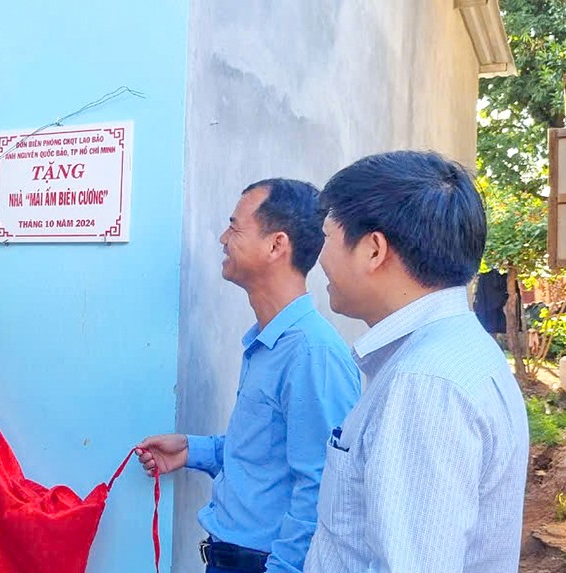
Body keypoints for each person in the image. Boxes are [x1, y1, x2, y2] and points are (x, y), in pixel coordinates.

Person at [304, 150, 528, 573]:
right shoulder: (455, 353)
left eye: (328, 238)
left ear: (373, 250)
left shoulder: (425, 383)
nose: (320, 259)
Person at [137, 179, 360, 573]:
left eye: (235, 227)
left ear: (277, 245)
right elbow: (268, 454)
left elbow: (323, 487)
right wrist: (192, 451)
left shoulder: (311, 353)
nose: (223, 238)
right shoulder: (268, 342)